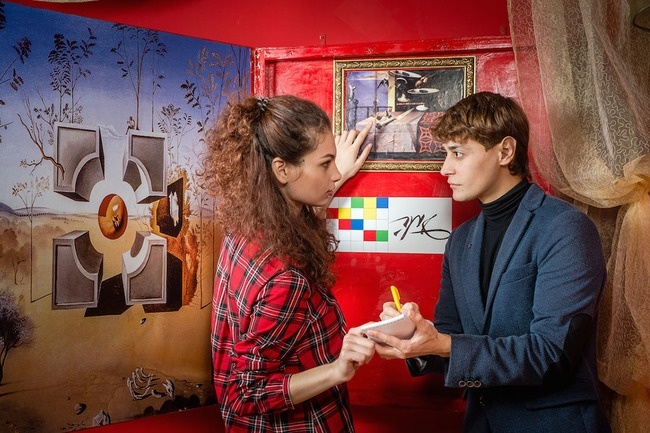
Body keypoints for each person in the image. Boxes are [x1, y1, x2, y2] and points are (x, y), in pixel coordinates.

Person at [365, 91, 611, 433]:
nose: (445, 168)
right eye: (445, 153)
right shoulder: (460, 240)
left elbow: (553, 355)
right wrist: (412, 340)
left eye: (458, 153)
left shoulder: (565, 228)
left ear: (505, 151)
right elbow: (451, 338)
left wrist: (443, 343)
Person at [201, 95, 376, 432]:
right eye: (325, 164)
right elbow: (245, 393)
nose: (335, 172)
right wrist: (338, 369)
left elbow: (299, 227)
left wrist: (333, 177)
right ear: (282, 169)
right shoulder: (285, 278)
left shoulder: (248, 225)